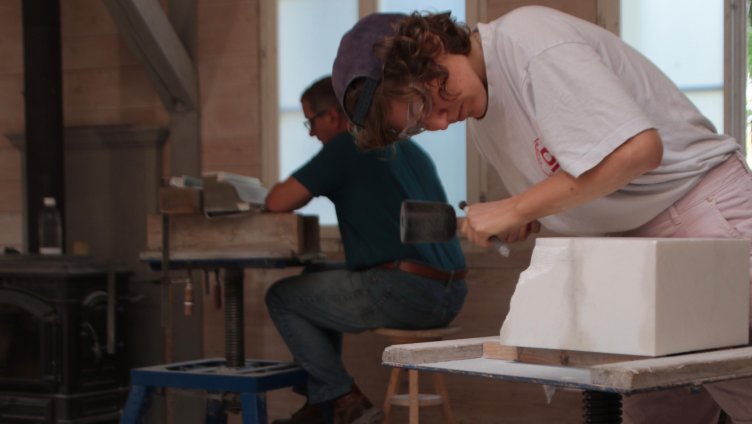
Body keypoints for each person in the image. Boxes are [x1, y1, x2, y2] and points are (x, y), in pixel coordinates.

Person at [331, 7, 752, 424]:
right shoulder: (484, 121)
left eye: (428, 102)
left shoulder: (528, 41)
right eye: (420, 125)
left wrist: (514, 206)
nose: (441, 123)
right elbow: (581, 181)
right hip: (636, 250)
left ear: (428, 45)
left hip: (703, 214)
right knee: (655, 410)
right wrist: (527, 217)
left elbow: (638, 151)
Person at [264, 75, 468, 424]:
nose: (312, 133)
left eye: (310, 121)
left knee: (282, 297)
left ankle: (343, 398)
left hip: (406, 291)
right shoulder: (408, 147)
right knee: (313, 278)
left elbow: (277, 201)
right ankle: (322, 404)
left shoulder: (348, 144)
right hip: (451, 292)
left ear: (332, 116)